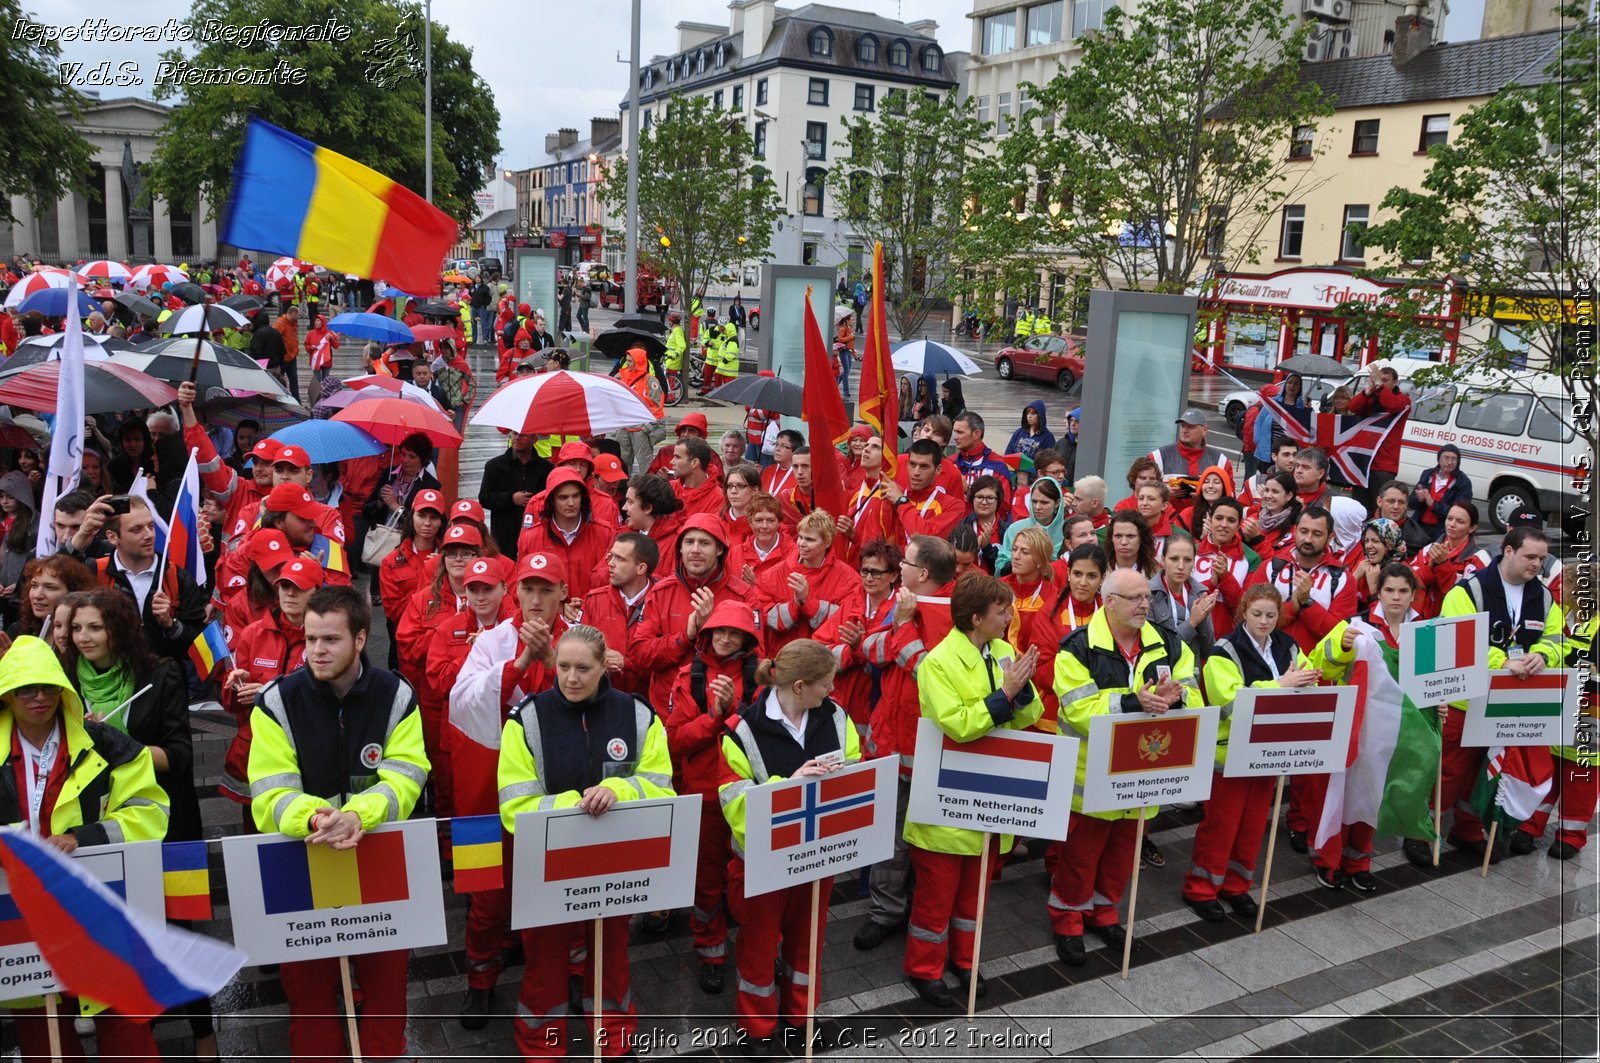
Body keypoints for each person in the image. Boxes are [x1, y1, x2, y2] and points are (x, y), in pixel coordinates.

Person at [249, 586, 428, 1063]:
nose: (316, 651)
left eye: (329, 639)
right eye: (309, 639)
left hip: (378, 857)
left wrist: (357, 816)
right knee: (308, 1001)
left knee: (387, 996)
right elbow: (268, 791)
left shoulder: (396, 694)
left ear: (361, 639)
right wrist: (317, 816)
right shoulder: (276, 701)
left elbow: (408, 776)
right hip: (302, 858)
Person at [499, 625, 671, 1061]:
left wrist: (621, 791)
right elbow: (514, 805)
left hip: (614, 864)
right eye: (563, 667)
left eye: (583, 668)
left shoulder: (637, 715)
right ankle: (541, 1047)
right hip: (547, 865)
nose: (571, 677)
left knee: (611, 955)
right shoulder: (527, 719)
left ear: (604, 667)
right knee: (543, 962)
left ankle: (613, 1042)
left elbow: (661, 786)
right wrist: (579, 803)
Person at [0, 635, 171, 1061]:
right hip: (20, 918)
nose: (39, 697)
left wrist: (85, 838)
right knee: (45, 1042)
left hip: (98, 906)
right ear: (7, 694)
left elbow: (150, 812)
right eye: (25, 688)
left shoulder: (107, 744)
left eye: (48, 687)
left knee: (128, 1038)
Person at [900, 572, 1040, 1006]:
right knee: (936, 899)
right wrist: (1006, 694)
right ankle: (924, 968)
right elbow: (959, 725)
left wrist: (1020, 691)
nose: (1009, 618)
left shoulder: (1001, 650)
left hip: (987, 794)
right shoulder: (938, 662)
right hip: (948, 797)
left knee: (974, 895)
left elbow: (1028, 713)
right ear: (976, 618)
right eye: (1002, 612)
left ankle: (965, 961)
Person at [1051, 568, 1202, 965]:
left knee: (1123, 852)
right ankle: (1068, 916)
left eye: (1147, 597)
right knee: (1080, 855)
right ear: (1109, 601)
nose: (1144, 604)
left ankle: (1105, 911)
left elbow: (1194, 693)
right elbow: (1078, 709)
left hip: (1144, 770)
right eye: (1135, 598)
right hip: (1092, 775)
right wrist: (1135, 702)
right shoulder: (1077, 647)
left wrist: (1176, 700)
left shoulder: (1168, 643)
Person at [715, 639, 859, 1045]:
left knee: (808, 940)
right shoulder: (740, 731)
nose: (832, 691)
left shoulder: (835, 716)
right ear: (799, 686)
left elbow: (855, 768)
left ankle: (801, 1012)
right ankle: (757, 1025)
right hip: (763, 862)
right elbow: (734, 803)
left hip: (817, 855)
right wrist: (790, 789)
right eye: (826, 684)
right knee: (759, 947)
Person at [1408, 527, 1564, 866]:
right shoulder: (1468, 591)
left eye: (1542, 558)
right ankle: (1422, 831)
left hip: (1511, 699)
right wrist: (1503, 661)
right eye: (1530, 557)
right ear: (1508, 551)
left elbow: (1556, 638)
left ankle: (1468, 831)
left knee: (1487, 769)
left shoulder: (1544, 597)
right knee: (1449, 770)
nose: (1537, 564)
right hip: (1468, 697)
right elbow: (1457, 639)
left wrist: (1545, 657)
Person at [1189, 584, 1331, 913]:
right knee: (1221, 826)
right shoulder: (1224, 650)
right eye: (1257, 614)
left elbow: (1307, 680)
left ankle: (1236, 885)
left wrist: (1307, 680)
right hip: (1230, 754)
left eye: (1270, 615)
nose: (1264, 621)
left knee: (1253, 826)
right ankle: (1202, 888)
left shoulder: (1288, 645)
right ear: (1243, 614)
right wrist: (1282, 685)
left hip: (1269, 751)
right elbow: (1230, 702)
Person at [666, 600, 763, 994]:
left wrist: (734, 709)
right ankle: (711, 951)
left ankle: (759, 946)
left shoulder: (762, 678)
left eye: (733, 632)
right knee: (706, 879)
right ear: (706, 634)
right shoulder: (689, 677)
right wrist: (714, 717)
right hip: (704, 796)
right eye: (718, 631)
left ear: (746, 639)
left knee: (754, 878)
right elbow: (675, 740)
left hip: (750, 796)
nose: (724, 639)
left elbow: (767, 732)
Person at [66, 494, 208, 662]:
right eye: (137, 529)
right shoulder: (95, 572)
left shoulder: (177, 577)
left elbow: (201, 645)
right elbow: (53, 580)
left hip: (164, 682)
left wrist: (171, 624)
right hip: (109, 680)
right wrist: (82, 533)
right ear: (113, 537)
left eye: (151, 526)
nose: (149, 535)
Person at [761, 511, 856, 653]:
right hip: (781, 660)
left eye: (810, 540)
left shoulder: (849, 579)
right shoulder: (774, 574)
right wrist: (795, 605)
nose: (802, 544)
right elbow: (763, 616)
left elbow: (846, 622)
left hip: (820, 662)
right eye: (800, 537)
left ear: (827, 542)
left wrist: (809, 602)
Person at [581, 532, 660, 699]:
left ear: (641, 568)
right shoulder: (594, 600)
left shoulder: (663, 602)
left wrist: (627, 663)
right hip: (602, 700)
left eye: (620, 559)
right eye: (611, 556)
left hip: (649, 703)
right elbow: (580, 650)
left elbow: (668, 657)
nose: (610, 564)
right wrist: (599, 660)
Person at [1348, 363, 1411, 511]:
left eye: (1385, 380)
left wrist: (1378, 385)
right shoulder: (1374, 398)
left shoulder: (1403, 400)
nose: (1381, 383)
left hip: (1384, 464)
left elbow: (1393, 406)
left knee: (1381, 508)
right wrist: (1368, 391)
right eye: (1379, 379)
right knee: (1360, 508)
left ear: (1395, 382)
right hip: (1364, 463)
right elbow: (1353, 407)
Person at [1147, 532, 1218, 658]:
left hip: (1192, 675)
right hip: (1162, 674)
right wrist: (1191, 622)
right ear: (1163, 560)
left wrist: (1203, 619)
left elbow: (1209, 650)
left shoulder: (1200, 593)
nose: (1181, 566)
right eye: (1174, 559)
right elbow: (1156, 650)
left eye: (1187, 560)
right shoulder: (1148, 594)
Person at [1410, 501, 1479, 616]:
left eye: (1460, 521)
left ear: (1472, 528)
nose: (1452, 524)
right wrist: (1430, 566)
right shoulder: (1428, 550)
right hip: (1424, 621)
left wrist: (1442, 565)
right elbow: (1410, 582)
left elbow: (1460, 596)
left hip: (1456, 623)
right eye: (1449, 518)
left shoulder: (1478, 559)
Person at [1150, 409, 1233, 504]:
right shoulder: (1157, 457)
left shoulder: (1221, 461)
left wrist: (1205, 496)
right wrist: (1164, 493)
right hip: (1168, 518)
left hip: (1205, 517)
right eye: (1183, 426)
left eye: (1191, 427)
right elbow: (1142, 492)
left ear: (1204, 430)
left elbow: (1230, 497)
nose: (1185, 430)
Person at [9, 554, 95, 639]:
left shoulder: (84, 639)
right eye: (34, 586)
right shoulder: (18, 632)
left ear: (73, 593)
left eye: (50, 587)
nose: (37, 595)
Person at [1405, 444, 1473, 553]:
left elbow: (1459, 513)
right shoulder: (1428, 474)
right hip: (1419, 527)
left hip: (1441, 532)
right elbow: (1411, 502)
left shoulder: (1463, 482)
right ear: (1439, 459)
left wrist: (1432, 503)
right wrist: (1419, 499)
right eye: (1446, 458)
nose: (1449, 462)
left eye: (1453, 459)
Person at [997, 476, 1065, 574]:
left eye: (1044, 502)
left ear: (1057, 503)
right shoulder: (1015, 529)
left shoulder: (1067, 531)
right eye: (1034, 501)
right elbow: (1001, 566)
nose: (1037, 507)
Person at [624, 474, 688, 563]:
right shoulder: (621, 534)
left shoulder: (677, 544)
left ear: (648, 508)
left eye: (630, 502)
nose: (624, 507)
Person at [1239, 471, 1301, 561]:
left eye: (1275, 492)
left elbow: (1277, 563)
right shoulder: (1254, 518)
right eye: (1266, 490)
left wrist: (1257, 539)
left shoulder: (1296, 528)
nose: (1268, 496)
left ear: (1289, 496)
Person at [1349, 517, 1407, 610]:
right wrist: (1354, 577)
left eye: (1375, 541)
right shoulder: (1363, 564)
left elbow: (1390, 615)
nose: (1368, 546)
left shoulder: (1402, 572)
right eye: (1366, 541)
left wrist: (1374, 587)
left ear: (1390, 544)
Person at [957, 476, 1008, 574]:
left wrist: (987, 548)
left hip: (995, 586)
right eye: (979, 497)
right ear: (972, 499)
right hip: (963, 585)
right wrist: (971, 548)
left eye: (990, 498)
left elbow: (1006, 570)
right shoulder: (960, 526)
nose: (984, 502)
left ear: (998, 500)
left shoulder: (1007, 531)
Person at [1104, 511, 1158, 579]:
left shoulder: (1157, 575)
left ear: (1142, 538)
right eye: (1118, 536)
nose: (1124, 542)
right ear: (1111, 538)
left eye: (1130, 536)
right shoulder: (1099, 572)